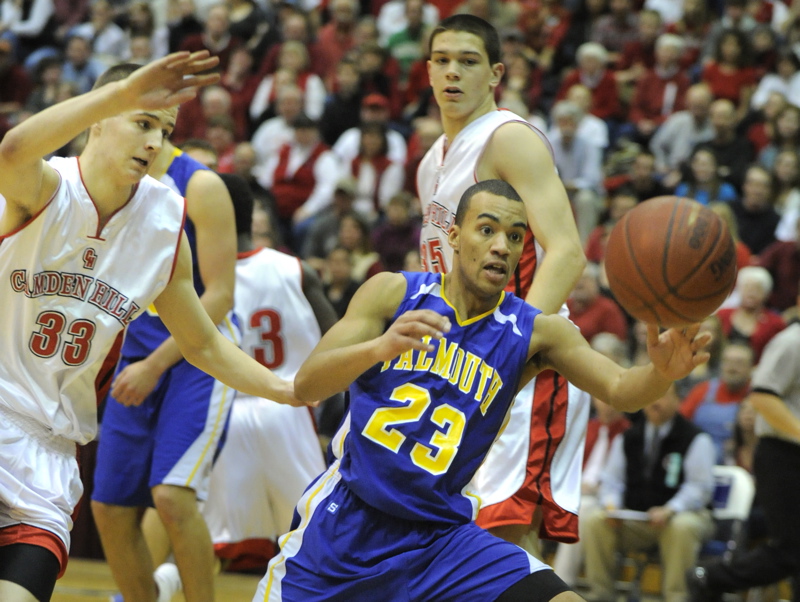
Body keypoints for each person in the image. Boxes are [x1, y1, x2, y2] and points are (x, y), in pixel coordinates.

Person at [253, 179, 712, 601]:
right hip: (346, 524)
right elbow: (309, 383)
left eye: (514, 237)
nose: (500, 246)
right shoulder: (393, 294)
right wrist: (379, 348)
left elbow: (619, 388)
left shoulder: (536, 332)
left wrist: (662, 373)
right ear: (453, 235)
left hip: (439, 539)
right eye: (487, 229)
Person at [0, 51, 307, 602]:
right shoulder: (45, 188)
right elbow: (13, 148)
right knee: (117, 509)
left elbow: (206, 342)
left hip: (49, 453)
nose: (152, 142)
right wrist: (122, 91)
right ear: (99, 117)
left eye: (163, 130)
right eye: (142, 123)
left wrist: (286, 388)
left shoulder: (166, 222)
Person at [416, 14, 587, 554]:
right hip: (461, 359)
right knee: (449, 532)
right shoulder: (431, 163)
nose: (452, 73)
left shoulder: (508, 138)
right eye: (442, 60)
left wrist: (510, 348)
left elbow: (566, 252)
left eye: (467, 62)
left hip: (526, 360)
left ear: (494, 74)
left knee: (503, 541)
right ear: (426, 71)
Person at [90, 99, 239, 602]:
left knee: (172, 498)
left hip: (197, 356)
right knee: (108, 508)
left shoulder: (200, 185)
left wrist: (155, 364)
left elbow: (219, 295)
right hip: (136, 352)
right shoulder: (107, 182)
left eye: (158, 124)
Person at [202, 175, 336, 572]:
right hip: (289, 405)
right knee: (312, 530)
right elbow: (339, 340)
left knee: (216, 537)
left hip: (227, 412)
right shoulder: (294, 269)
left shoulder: (199, 281)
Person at [687, 287, 800, 602]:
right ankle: (710, 576)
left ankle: (710, 576)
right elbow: (763, 395)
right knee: (790, 550)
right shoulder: (792, 342)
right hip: (783, 455)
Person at [582, 384, 716, 602]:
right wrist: (612, 506)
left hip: (684, 517)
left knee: (682, 527)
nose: (656, 402)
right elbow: (611, 481)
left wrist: (670, 509)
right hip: (637, 518)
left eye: (663, 396)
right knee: (595, 520)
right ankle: (600, 595)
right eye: (652, 396)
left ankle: (677, 597)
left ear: (678, 401)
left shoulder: (696, 438)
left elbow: (699, 488)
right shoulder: (628, 437)